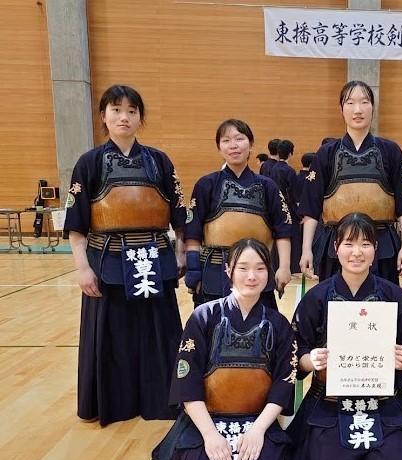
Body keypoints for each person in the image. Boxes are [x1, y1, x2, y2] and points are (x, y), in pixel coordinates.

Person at [63, 84, 187, 425]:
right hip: (108, 260)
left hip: (154, 257)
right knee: (111, 334)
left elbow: (179, 214)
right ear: (103, 116)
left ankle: (165, 401)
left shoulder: (159, 161)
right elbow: (76, 224)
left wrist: (180, 252)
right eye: (116, 110)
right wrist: (82, 268)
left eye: (132, 111)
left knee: (159, 333)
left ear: (140, 118)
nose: (124, 117)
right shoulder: (89, 163)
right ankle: (111, 404)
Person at [288, 213, 402, 460]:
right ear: (335, 247)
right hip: (329, 401)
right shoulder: (316, 297)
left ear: (376, 249)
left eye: (365, 244)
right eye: (349, 243)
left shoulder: (393, 295)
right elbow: (294, 353)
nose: (357, 252)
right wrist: (310, 361)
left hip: (382, 401)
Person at [149, 239, 297, 460]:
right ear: (228, 270)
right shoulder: (203, 317)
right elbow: (187, 383)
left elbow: (284, 383)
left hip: (257, 421)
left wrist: (258, 431)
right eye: (243, 268)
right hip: (209, 421)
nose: (251, 276)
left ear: (268, 272)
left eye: (260, 268)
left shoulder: (278, 324)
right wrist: (210, 435)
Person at [299, 80, 402, 284]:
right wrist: (306, 249)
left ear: (372, 107)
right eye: (350, 103)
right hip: (337, 245)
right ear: (341, 109)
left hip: (382, 246)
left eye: (364, 102)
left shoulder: (391, 151)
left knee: (381, 301)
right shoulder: (327, 153)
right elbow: (311, 207)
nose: (358, 110)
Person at [184, 119, 292, 309]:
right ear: (219, 148)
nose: (233, 145)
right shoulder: (206, 184)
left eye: (239, 139)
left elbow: (282, 230)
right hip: (214, 272)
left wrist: (284, 267)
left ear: (251, 144)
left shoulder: (267, 186)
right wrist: (193, 270)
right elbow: (193, 233)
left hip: (256, 272)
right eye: (226, 141)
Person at [264, 139, 301, 273]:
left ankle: (276, 266)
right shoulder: (289, 171)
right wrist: (298, 211)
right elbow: (294, 193)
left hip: (274, 207)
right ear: (290, 153)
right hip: (288, 208)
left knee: (276, 237)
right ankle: (292, 267)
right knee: (292, 237)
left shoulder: (272, 168)